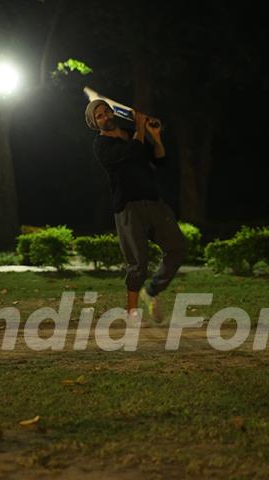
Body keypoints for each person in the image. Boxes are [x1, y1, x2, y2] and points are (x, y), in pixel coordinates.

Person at [85, 99, 187, 325]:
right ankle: (132, 314)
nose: (105, 117)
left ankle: (151, 291)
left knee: (177, 248)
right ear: (95, 123)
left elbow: (159, 160)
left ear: (113, 112)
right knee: (137, 264)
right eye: (99, 116)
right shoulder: (101, 145)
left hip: (153, 202)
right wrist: (141, 129)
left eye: (106, 112)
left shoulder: (132, 133)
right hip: (128, 207)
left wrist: (155, 136)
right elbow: (131, 152)